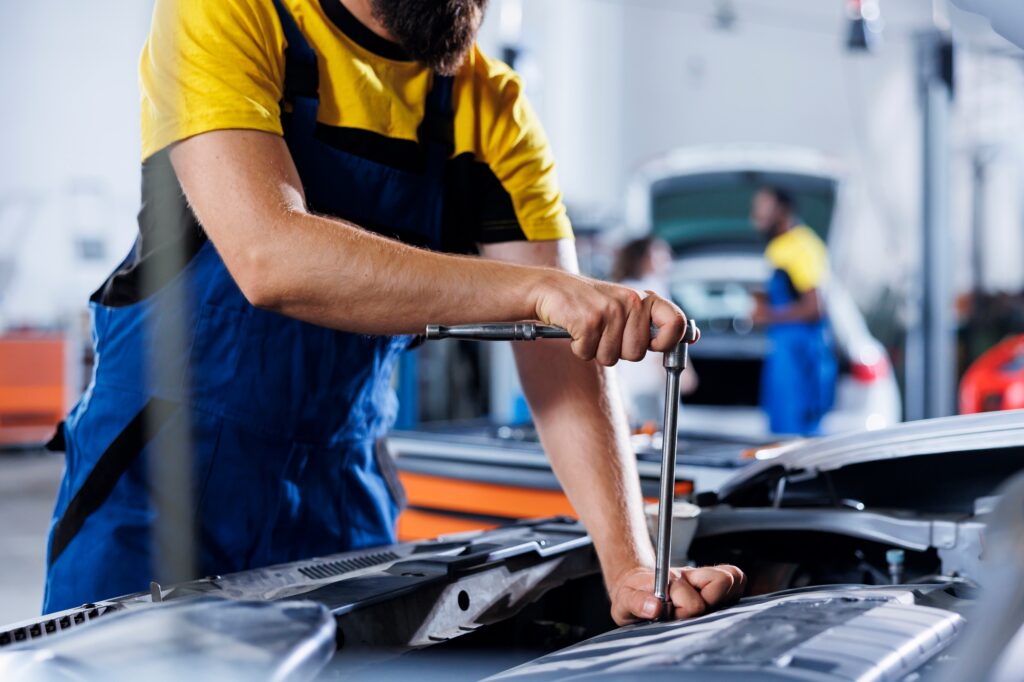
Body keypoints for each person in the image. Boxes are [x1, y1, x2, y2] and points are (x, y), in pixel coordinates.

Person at [42, 0, 745, 624]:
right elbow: (268, 256)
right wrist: (534, 292)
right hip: (158, 478)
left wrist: (627, 562)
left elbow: (564, 349)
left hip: (338, 491)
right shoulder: (232, 12)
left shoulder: (489, 107)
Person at [750, 187, 837, 436]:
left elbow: (814, 307)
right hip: (785, 354)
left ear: (783, 210)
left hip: (801, 357)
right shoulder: (779, 247)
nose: (756, 215)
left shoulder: (802, 246)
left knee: (797, 436)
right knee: (781, 432)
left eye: (763, 207)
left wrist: (767, 315)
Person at [611, 237, 697, 422]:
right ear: (645, 258)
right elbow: (665, 336)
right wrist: (684, 372)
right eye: (662, 253)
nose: (669, 258)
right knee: (660, 439)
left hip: (628, 385)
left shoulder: (621, 288)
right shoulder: (653, 290)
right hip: (652, 385)